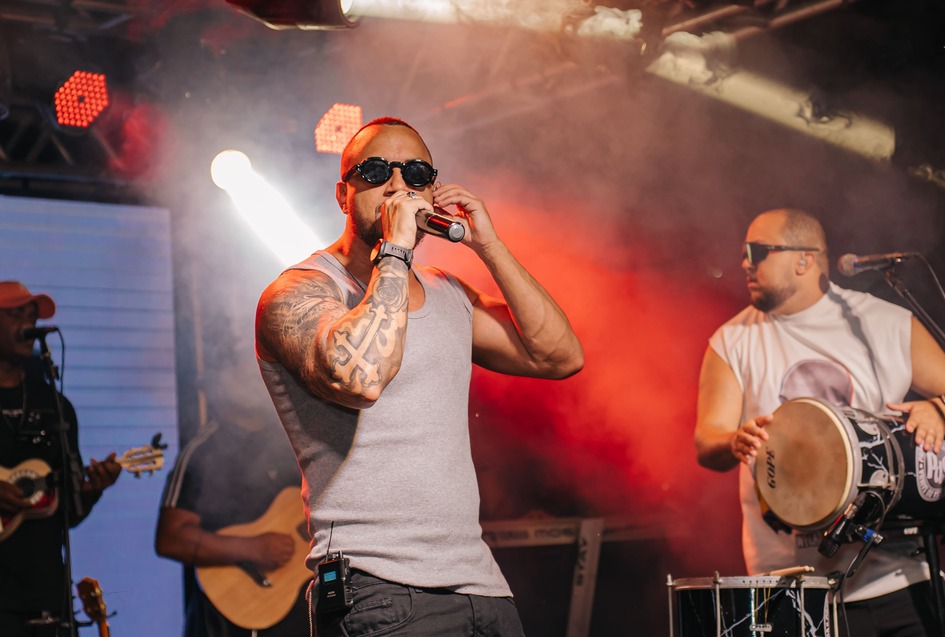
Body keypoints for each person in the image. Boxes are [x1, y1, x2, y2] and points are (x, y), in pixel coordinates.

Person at [254, 116, 584, 636]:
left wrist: (489, 246)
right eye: (376, 170)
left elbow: (560, 357)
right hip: (377, 589)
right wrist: (396, 249)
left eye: (416, 173)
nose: (397, 185)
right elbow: (362, 378)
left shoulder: (449, 293)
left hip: (480, 585)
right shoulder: (298, 292)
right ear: (343, 194)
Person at [694, 208, 945, 636]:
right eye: (744, 252)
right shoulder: (733, 341)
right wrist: (733, 441)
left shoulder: (883, 322)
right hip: (794, 589)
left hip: (897, 576)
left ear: (804, 259)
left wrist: (941, 408)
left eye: (757, 251)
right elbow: (707, 442)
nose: (744, 262)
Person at [0, 281, 122, 637]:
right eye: (15, 314)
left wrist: (93, 489)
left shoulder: (55, 406)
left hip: (46, 596)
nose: (28, 323)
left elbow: (69, 513)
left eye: (32, 315)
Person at [155, 367, 309, 637]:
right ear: (217, 383)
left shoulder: (291, 440)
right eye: (235, 369)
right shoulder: (202, 450)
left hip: (299, 613)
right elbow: (170, 539)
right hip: (231, 619)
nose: (248, 376)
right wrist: (252, 549)